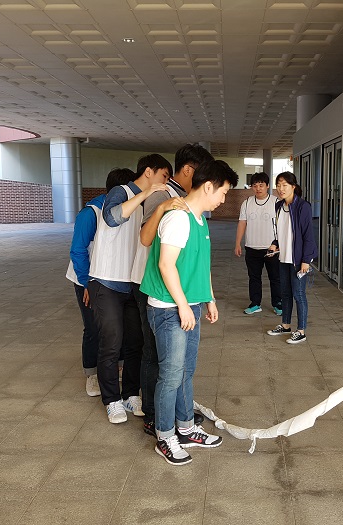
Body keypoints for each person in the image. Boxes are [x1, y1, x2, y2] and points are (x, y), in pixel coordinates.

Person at [140, 159, 238, 465]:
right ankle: (165, 436)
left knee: (185, 372)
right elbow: (165, 265)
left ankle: (186, 428)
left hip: (189, 305)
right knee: (170, 375)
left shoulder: (199, 220)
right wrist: (183, 306)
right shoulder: (178, 219)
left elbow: (201, 265)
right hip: (169, 309)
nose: (223, 199)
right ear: (208, 186)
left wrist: (209, 299)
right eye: (223, 192)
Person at [136, 143, 213, 437]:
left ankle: (180, 418)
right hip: (160, 289)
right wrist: (163, 208)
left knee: (176, 366)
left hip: (178, 289)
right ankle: (155, 417)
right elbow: (145, 238)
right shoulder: (163, 195)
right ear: (190, 170)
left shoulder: (190, 204)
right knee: (157, 358)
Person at [88, 154, 171, 424]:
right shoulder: (121, 191)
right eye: (163, 176)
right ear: (148, 172)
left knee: (136, 342)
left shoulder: (149, 202)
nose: (165, 182)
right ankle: (111, 400)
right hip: (106, 281)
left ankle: (130, 394)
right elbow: (112, 218)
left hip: (132, 283)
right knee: (111, 343)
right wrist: (146, 193)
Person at [66, 167, 134, 397]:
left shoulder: (128, 210)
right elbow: (78, 251)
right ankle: (92, 374)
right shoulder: (91, 213)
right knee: (94, 327)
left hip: (113, 277)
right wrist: (87, 284)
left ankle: (118, 366)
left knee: (119, 325)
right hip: (86, 278)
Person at [266, 171, 317, 344]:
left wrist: (306, 260)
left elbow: (308, 235)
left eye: (284, 185)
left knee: (299, 294)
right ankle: (285, 325)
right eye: (278, 185)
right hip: (283, 258)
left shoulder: (303, 206)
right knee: (285, 293)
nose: (281, 189)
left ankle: (301, 331)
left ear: (293, 187)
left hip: (298, 260)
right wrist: (275, 244)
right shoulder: (279, 206)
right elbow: (281, 231)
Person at [234, 172, 281, 315]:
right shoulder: (247, 203)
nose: (258, 188)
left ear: (267, 186)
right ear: (251, 187)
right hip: (252, 247)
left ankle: (278, 304)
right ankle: (255, 303)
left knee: (275, 278)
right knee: (254, 277)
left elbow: (282, 225)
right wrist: (238, 243)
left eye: (261, 185)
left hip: (271, 249)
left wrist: (280, 244)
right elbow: (242, 223)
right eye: (255, 185)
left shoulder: (276, 202)